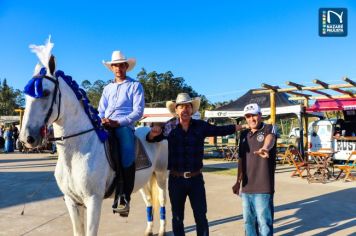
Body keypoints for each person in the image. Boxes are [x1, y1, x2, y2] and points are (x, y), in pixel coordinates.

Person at [147, 93, 245, 236]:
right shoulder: (169, 126)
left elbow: (219, 130)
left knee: (200, 216)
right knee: (177, 218)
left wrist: (239, 127)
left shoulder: (201, 126)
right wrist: (152, 134)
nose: (185, 110)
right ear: (176, 110)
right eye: (181, 107)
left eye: (188, 106)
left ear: (192, 110)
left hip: (196, 180)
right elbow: (152, 139)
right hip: (176, 180)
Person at [98, 50, 145, 215]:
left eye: (121, 65)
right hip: (106, 124)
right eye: (115, 65)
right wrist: (102, 119)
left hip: (124, 125)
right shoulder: (107, 88)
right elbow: (101, 110)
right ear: (111, 68)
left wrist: (118, 122)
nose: (118, 68)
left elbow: (138, 112)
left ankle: (124, 197)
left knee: (126, 152)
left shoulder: (135, 86)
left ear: (126, 67)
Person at [232, 103, 277, 236]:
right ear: (245, 118)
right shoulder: (244, 134)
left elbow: (271, 138)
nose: (252, 119)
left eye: (254, 115)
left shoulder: (269, 128)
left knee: (264, 224)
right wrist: (238, 181)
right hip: (246, 188)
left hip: (263, 187)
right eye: (248, 116)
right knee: (248, 223)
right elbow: (241, 160)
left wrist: (265, 148)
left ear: (260, 115)